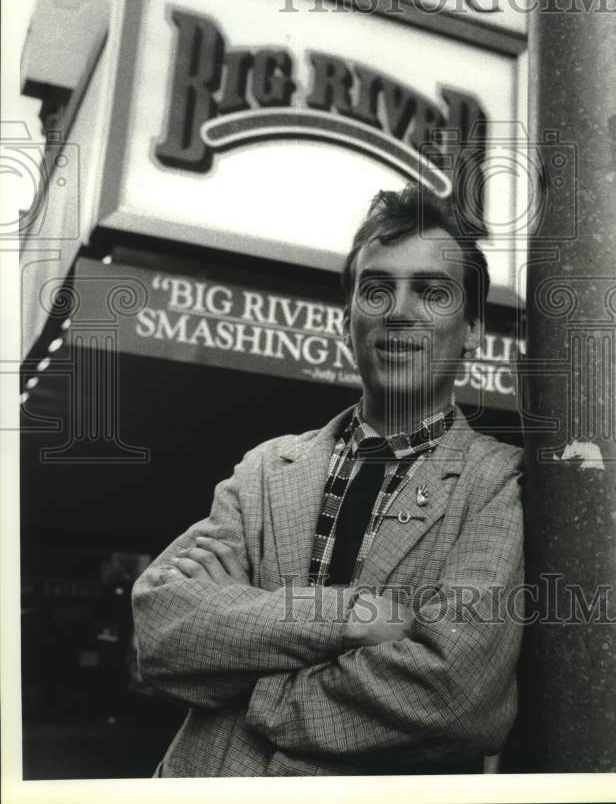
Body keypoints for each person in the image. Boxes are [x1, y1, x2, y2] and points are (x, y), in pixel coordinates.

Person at [131, 183, 524, 778]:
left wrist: (256, 681)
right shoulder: (267, 469)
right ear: (348, 320)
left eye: (432, 292)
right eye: (376, 289)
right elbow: (164, 629)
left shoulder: (497, 482)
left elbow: (457, 698)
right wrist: (352, 617)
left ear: (472, 328)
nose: (398, 311)